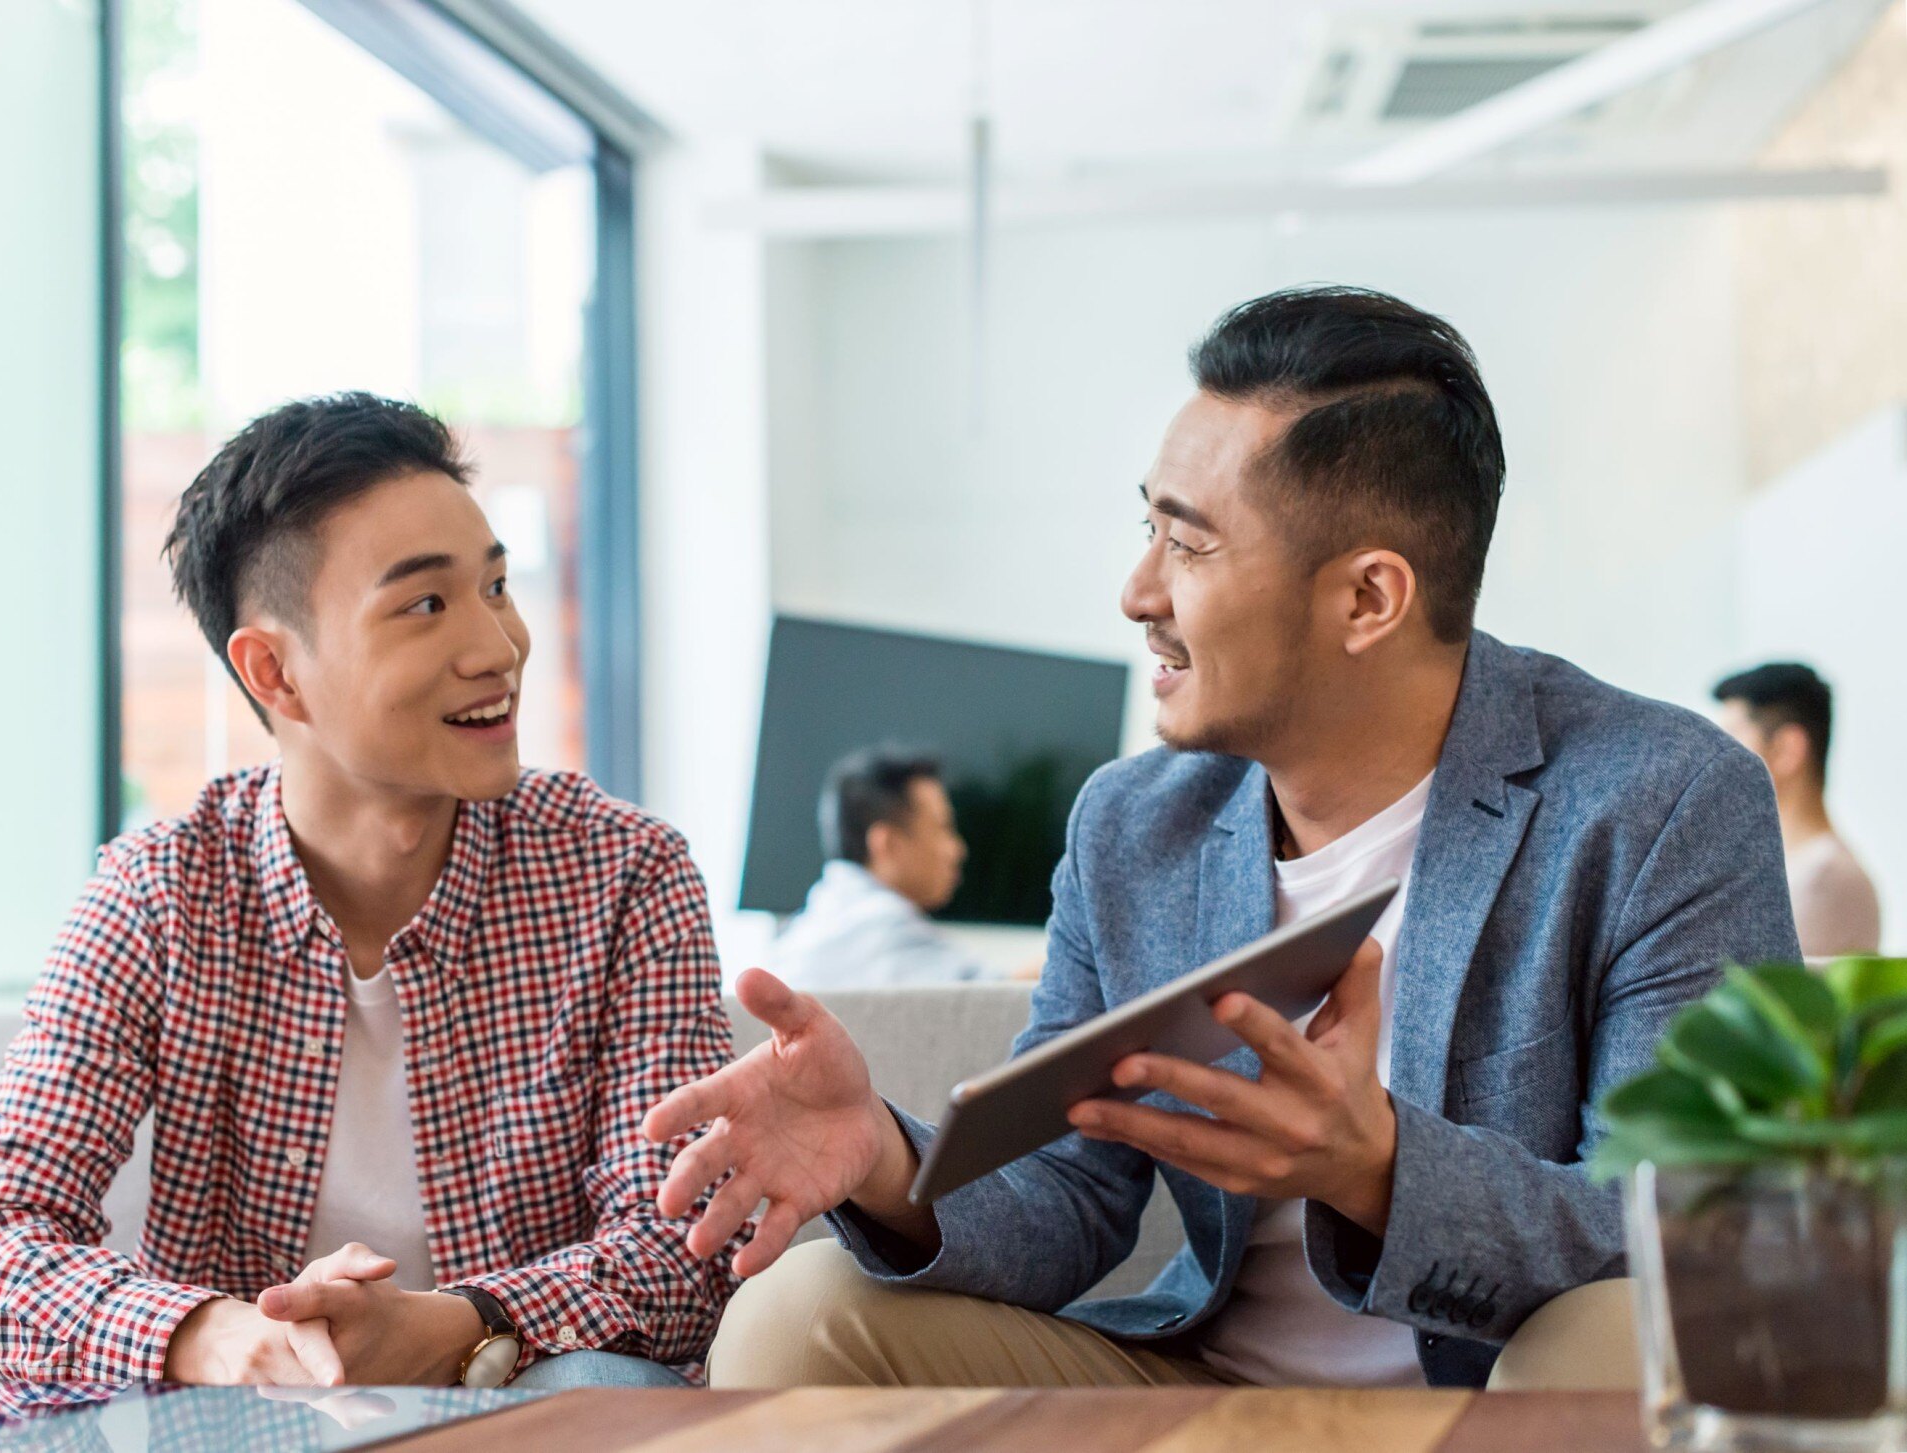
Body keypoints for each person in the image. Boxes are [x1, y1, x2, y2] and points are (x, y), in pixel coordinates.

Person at [646, 286, 1800, 1391]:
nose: (1135, 591)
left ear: (1367, 599)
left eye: (1187, 546)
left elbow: (1690, 1220)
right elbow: (1071, 1194)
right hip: (1200, 1381)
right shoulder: (1133, 823)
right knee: (800, 1315)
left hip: (1500, 1388)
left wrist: (1378, 1170)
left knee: (1608, 1337)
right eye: (1145, 528)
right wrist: (884, 1160)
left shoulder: (1658, 801)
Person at [0, 394, 742, 1389]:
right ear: (275, 671)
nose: (498, 647)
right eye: (425, 605)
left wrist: (453, 1328)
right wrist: (219, 1337)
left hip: (529, 1394)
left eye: (495, 586)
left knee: (606, 1386)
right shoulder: (163, 892)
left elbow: (687, 1247)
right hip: (242, 1418)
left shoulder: (622, 871)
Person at [769, 748, 988, 989]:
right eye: (942, 829)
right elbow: (999, 996)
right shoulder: (883, 924)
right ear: (888, 844)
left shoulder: (809, 925)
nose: (957, 850)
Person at [1714, 662, 1882, 957]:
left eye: (1731, 742)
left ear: (1786, 750)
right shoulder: (1792, 868)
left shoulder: (1821, 880)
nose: (1716, 762)